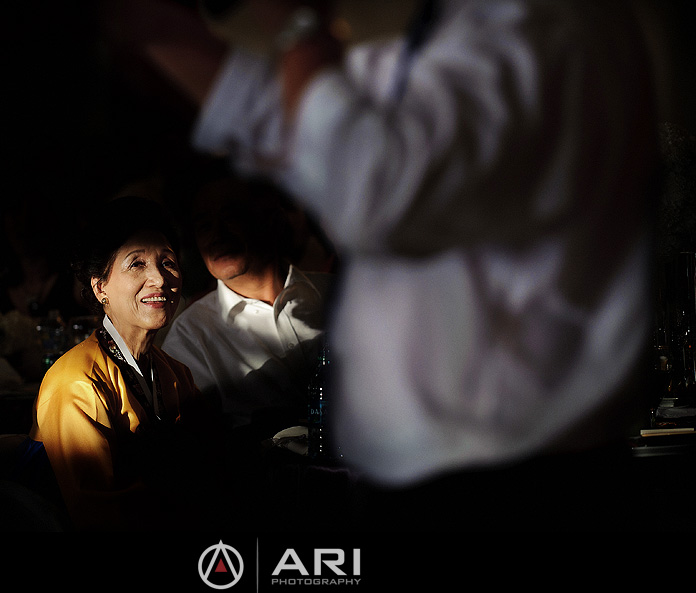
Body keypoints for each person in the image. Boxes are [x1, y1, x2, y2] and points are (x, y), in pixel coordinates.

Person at [106, 0, 662, 529]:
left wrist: (299, 25)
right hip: (435, 479)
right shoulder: (445, 39)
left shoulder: (534, 21)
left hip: (517, 483)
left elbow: (369, 180)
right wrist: (153, 27)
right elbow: (302, 132)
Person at [21, 195, 219, 531]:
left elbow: (210, 460)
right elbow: (97, 512)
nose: (159, 279)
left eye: (168, 262)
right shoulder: (76, 383)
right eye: (137, 264)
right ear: (100, 288)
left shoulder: (175, 373)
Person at [162, 176, 331, 434]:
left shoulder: (337, 294)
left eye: (231, 217)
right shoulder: (191, 336)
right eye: (204, 226)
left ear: (271, 218)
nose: (217, 235)